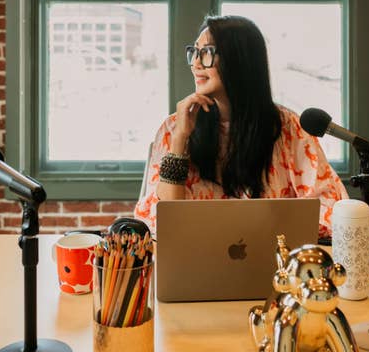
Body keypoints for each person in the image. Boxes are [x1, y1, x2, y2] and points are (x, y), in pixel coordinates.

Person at [134, 15, 348, 237]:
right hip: (198, 260)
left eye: (207, 52)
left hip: (275, 262)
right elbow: (159, 222)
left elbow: (331, 209)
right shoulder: (175, 127)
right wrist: (180, 140)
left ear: (239, 61)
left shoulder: (288, 127)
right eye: (195, 52)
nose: (196, 63)